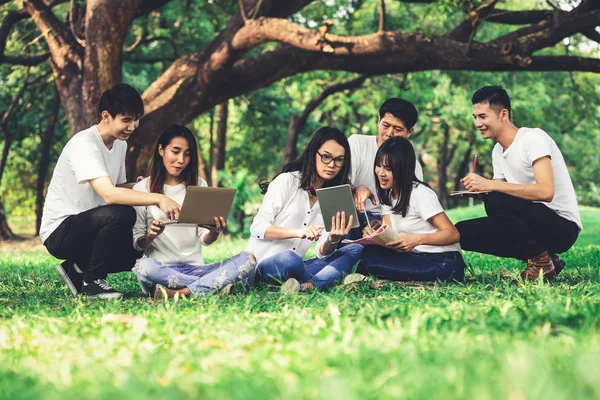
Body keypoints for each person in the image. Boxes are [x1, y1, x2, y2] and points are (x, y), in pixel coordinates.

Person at [41, 83, 181, 299]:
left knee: (135, 250)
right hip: (60, 231)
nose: (133, 126)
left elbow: (116, 187)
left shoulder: (119, 144)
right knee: (123, 213)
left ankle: (76, 269)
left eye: (136, 119)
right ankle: (92, 284)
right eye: (126, 120)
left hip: (89, 225)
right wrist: (157, 198)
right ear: (106, 116)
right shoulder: (85, 144)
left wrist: (139, 185)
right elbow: (109, 195)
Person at [455, 85, 582, 281]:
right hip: (534, 223)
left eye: (482, 116)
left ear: (503, 114)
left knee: (496, 198)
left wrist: (491, 186)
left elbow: (546, 191)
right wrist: (483, 192)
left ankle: (541, 262)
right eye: (475, 117)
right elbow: (503, 202)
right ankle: (548, 259)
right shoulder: (498, 151)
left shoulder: (532, 138)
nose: (477, 123)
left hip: (562, 228)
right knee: (461, 232)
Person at [131, 124, 256, 299]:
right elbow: (137, 243)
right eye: (175, 151)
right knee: (144, 267)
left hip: (196, 267)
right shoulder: (142, 188)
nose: (181, 159)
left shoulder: (199, 185)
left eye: (187, 154)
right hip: (160, 269)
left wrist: (214, 232)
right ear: (161, 150)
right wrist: (151, 235)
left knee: (248, 259)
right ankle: (212, 284)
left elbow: (205, 239)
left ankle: (182, 292)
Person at [246, 127, 363, 294]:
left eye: (339, 160)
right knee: (290, 259)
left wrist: (333, 239)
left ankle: (304, 285)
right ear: (313, 153)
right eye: (326, 157)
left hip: (298, 267)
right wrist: (298, 232)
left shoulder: (334, 196)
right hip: (265, 265)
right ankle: (320, 281)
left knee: (355, 249)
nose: (332, 165)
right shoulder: (287, 181)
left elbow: (322, 253)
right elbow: (257, 227)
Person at [347, 136, 465, 283]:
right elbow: (390, 234)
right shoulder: (389, 194)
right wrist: (373, 233)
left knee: (367, 261)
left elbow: (453, 234)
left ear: (403, 168)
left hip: (444, 263)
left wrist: (416, 239)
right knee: (361, 252)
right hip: (414, 257)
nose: (381, 173)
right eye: (378, 165)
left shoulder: (420, 193)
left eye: (388, 168)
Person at [348, 98, 424, 239]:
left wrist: (383, 223)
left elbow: (409, 209)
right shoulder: (357, 143)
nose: (389, 133)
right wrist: (357, 189)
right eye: (386, 125)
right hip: (353, 213)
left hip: (388, 221)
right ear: (378, 121)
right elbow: (336, 185)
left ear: (410, 131)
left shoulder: (413, 166)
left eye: (398, 129)